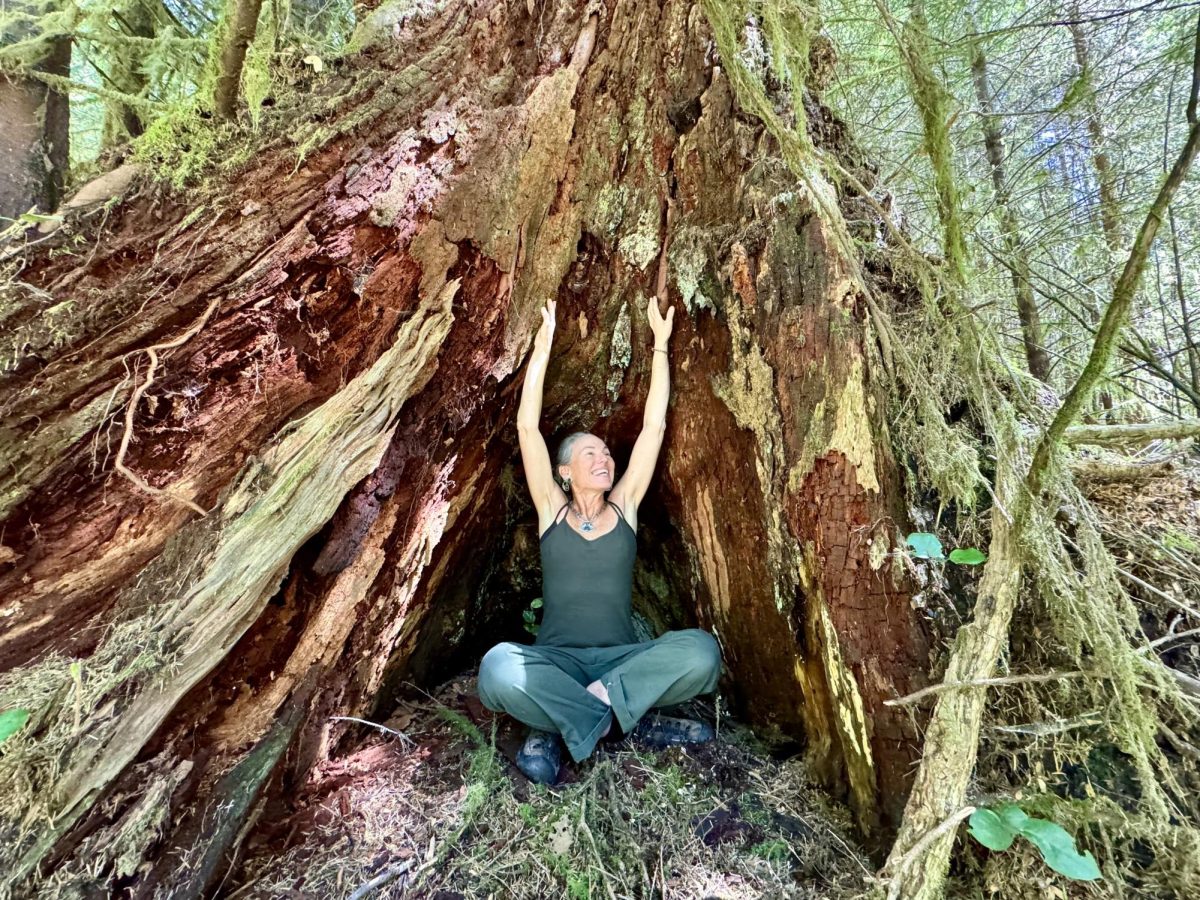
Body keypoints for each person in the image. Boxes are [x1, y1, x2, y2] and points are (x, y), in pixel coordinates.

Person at [476, 296, 723, 784]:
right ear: (565, 472)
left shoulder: (626, 505)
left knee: (702, 654)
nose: (604, 458)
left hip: (622, 660)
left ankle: (571, 719)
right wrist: (542, 347)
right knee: (497, 669)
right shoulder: (551, 508)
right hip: (555, 661)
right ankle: (621, 717)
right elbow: (527, 427)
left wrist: (660, 347)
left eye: (607, 452)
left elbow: (654, 427)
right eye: (591, 453)